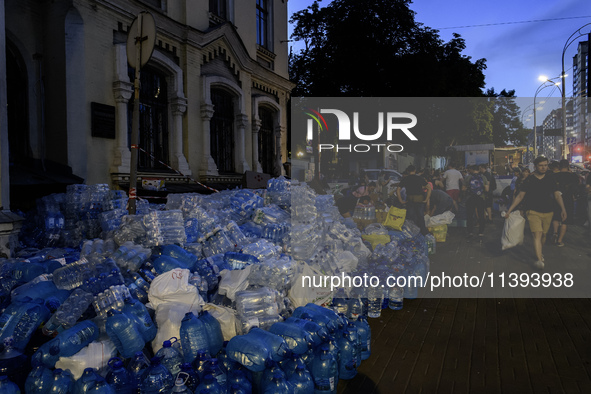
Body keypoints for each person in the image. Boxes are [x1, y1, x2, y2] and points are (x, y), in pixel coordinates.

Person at [504, 156, 567, 269]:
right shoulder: (529, 179)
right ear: (536, 166)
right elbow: (520, 196)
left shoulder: (551, 178)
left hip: (548, 211)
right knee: (537, 234)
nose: (544, 168)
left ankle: (539, 251)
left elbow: (557, 194)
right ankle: (539, 259)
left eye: (545, 165)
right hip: (532, 211)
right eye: (541, 165)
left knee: (543, 234)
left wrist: (563, 209)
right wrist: (509, 210)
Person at [550, 159, 580, 247]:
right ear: (568, 166)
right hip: (568, 199)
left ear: (559, 166)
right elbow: (576, 187)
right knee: (565, 221)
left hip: (556, 199)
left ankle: (555, 233)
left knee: (556, 217)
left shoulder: (554, 176)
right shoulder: (573, 176)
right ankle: (559, 240)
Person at [396, 165, 431, 235]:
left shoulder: (405, 179)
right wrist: (426, 199)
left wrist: (401, 201)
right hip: (419, 200)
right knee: (420, 217)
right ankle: (423, 233)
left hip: (410, 200)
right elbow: (429, 188)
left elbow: (398, 190)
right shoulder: (419, 178)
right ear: (415, 171)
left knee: (411, 218)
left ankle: (412, 233)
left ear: (408, 171)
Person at [463, 165, 489, 238]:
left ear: (472, 170)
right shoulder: (483, 177)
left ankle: (470, 232)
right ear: (479, 169)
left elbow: (463, 188)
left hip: (470, 198)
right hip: (480, 198)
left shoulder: (468, 177)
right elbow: (487, 189)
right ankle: (481, 232)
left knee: (470, 215)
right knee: (481, 215)